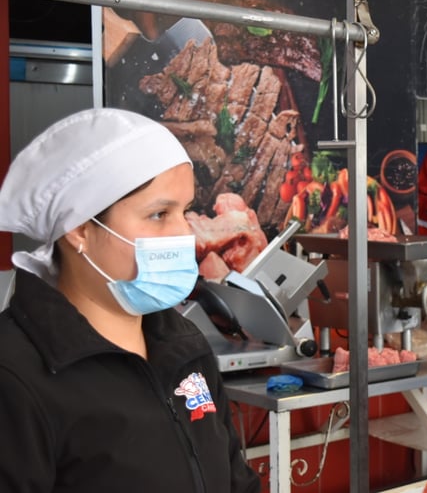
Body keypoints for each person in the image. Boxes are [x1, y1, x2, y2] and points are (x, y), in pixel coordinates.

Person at [0, 108, 261, 493]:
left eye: (185, 211)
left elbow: (237, 482)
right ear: (80, 230)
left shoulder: (184, 345)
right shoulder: (15, 376)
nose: (184, 234)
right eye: (159, 214)